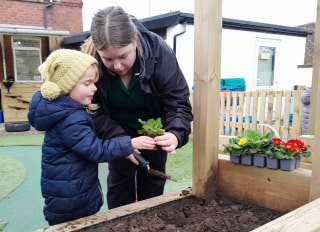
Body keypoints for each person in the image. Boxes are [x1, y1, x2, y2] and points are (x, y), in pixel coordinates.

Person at [28, 49, 155, 225]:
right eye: (87, 83)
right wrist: (128, 142)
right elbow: (95, 150)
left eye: (93, 83)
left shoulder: (67, 112)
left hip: (71, 192)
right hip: (71, 200)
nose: (94, 88)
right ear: (67, 85)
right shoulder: (71, 118)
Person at [89, 6, 193, 209]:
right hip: (115, 131)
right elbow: (92, 110)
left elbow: (178, 101)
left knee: (153, 181)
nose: (117, 66)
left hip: (153, 130)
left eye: (123, 56)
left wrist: (175, 134)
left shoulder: (159, 52)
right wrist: (120, 141)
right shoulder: (89, 61)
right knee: (120, 182)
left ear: (135, 41)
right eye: (108, 59)